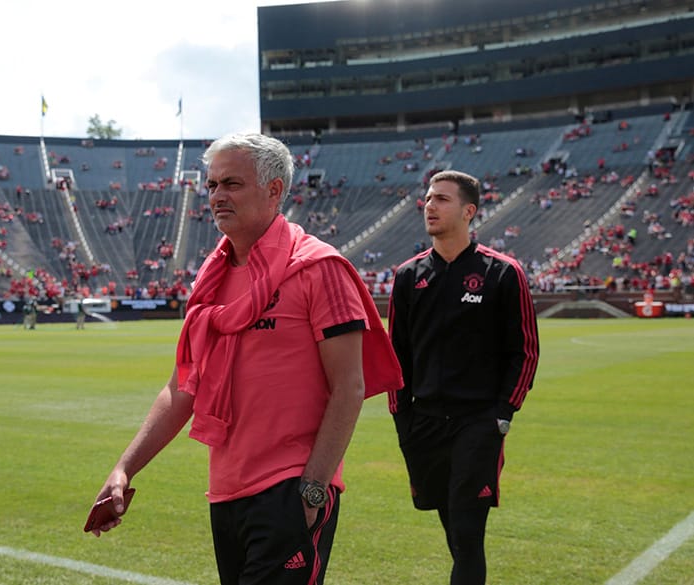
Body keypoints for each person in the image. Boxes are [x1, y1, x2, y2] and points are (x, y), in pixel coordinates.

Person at [88, 133, 402, 585]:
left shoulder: (319, 268)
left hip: (291, 487)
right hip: (225, 492)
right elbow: (184, 386)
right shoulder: (211, 278)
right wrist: (123, 469)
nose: (216, 196)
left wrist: (313, 490)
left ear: (274, 190)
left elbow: (349, 387)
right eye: (212, 185)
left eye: (231, 184)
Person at [388, 169, 540, 585]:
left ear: (468, 211)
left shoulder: (503, 273)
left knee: (469, 533)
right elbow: (395, 355)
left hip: (478, 423)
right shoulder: (408, 275)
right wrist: (403, 420)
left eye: (441, 199)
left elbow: (525, 351)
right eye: (428, 198)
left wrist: (502, 415)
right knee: (454, 531)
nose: (430, 206)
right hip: (425, 424)